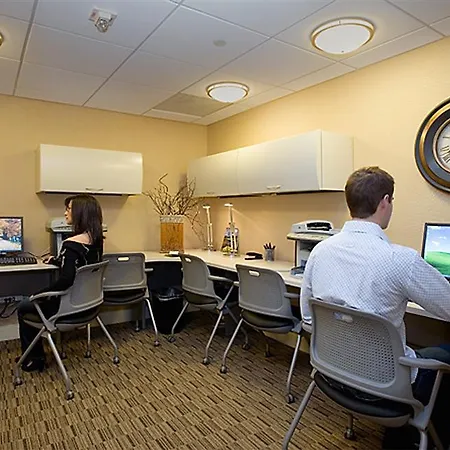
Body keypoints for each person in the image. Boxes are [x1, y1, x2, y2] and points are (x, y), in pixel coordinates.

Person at [300, 166, 450, 449]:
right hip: (384, 390)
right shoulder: (400, 260)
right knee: (444, 353)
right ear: (385, 201)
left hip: (333, 376)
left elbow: (308, 320)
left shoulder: (319, 252)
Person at [16, 194, 104, 372]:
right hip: (87, 305)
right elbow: (82, 265)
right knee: (34, 302)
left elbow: (65, 280)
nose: (65, 213)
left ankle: (34, 358)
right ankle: (33, 354)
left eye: (69, 209)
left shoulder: (71, 244)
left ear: (80, 213)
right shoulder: (96, 240)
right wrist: (59, 260)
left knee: (24, 306)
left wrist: (38, 295)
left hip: (66, 308)